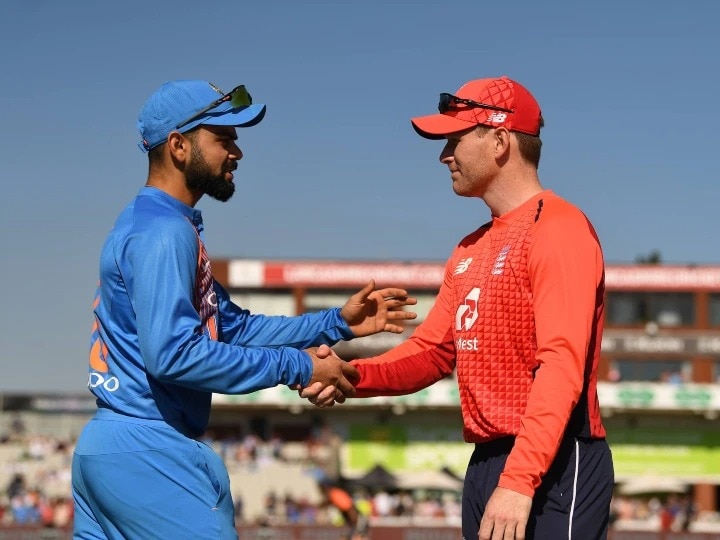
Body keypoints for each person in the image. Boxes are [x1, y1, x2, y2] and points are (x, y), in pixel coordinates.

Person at [71, 79, 417, 540]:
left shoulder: (159, 224)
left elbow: (234, 329)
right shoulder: (163, 232)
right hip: (150, 450)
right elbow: (174, 355)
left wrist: (336, 323)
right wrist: (299, 366)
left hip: (110, 447)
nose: (237, 151)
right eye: (224, 138)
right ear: (178, 146)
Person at [302, 76, 614, 540]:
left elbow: (560, 366)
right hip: (487, 462)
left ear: (500, 140)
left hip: (555, 461)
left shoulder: (558, 227)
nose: (444, 155)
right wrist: (349, 375)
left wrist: (519, 480)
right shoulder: (468, 249)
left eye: (455, 139)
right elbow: (432, 352)